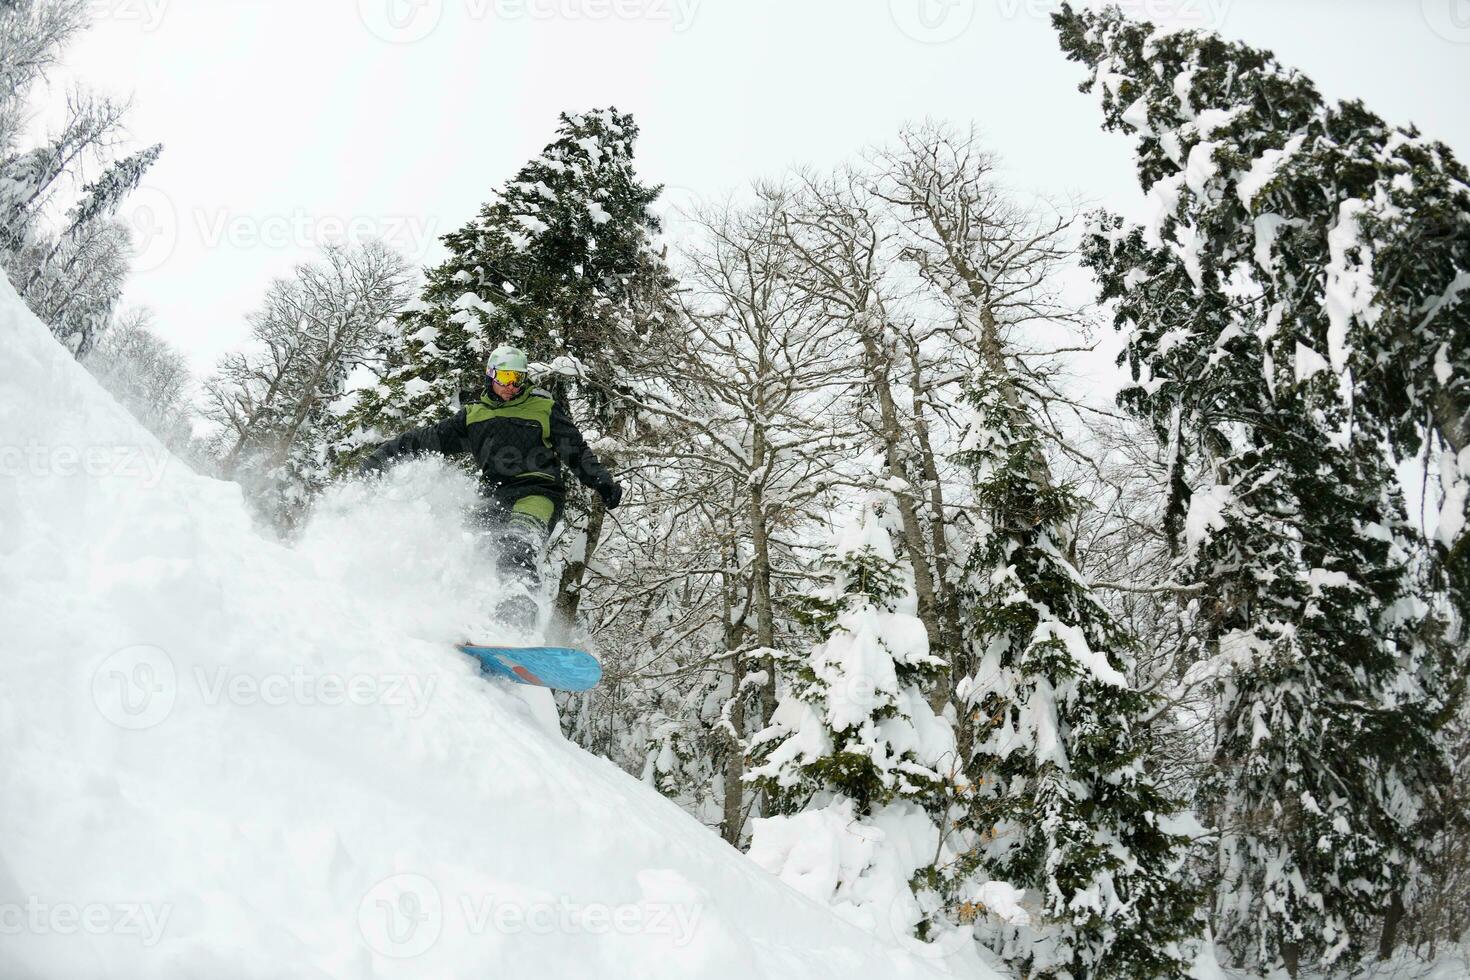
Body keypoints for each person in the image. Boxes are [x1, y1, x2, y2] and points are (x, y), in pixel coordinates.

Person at [358, 344, 624, 630]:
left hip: (538, 493)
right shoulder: (474, 415)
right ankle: (463, 621)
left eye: (518, 379)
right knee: (467, 548)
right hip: (495, 497)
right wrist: (382, 456)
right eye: (506, 378)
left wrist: (601, 481)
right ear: (491, 375)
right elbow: (425, 439)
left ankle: (517, 622)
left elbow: (577, 451)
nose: (511, 386)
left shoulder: (544, 409)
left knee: (517, 544)